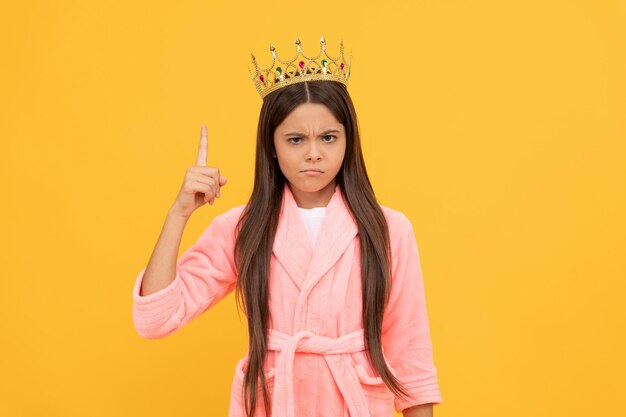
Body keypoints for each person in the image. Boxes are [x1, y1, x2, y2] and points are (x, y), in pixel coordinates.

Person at [132, 36, 443, 417]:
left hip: (354, 403)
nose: (314, 152)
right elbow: (156, 319)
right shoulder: (244, 228)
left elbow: (411, 356)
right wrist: (178, 214)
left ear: (348, 141)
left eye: (329, 137)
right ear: (273, 145)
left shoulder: (390, 229)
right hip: (272, 403)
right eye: (296, 139)